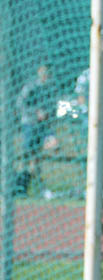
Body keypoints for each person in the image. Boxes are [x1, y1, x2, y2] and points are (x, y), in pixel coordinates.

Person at [15, 64, 53, 197]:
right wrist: (35, 112)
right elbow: (21, 104)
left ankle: (36, 188)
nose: (46, 76)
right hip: (29, 124)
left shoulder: (48, 89)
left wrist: (46, 114)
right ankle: (20, 186)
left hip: (41, 126)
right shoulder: (31, 88)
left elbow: (50, 106)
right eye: (44, 74)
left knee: (36, 159)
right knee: (26, 156)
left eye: (48, 74)